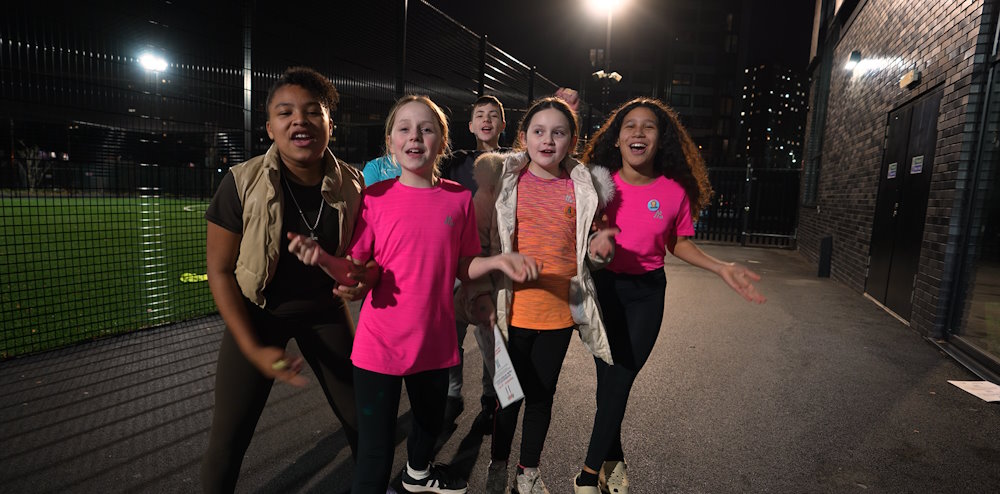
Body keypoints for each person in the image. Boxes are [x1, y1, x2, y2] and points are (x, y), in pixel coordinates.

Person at [288, 94, 539, 494]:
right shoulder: (375, 198)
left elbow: (464, 266)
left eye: (426, 128)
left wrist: (497, 263)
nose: (415, 136)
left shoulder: (459, 198)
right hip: (378, 347)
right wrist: (321, 258)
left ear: (441, 140)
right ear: (390, 142)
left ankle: (418, 477)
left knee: (428, 424)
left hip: (434, 344)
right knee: (374, 454)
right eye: (404, 128)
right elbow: (356, 270)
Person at [572, 98, 766, 494]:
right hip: (602, 292)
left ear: (662, 140)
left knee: (620, 378)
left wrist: (720, 268)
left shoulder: (674, 192)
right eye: (630, 126)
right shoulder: (597, 184)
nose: (638, 133)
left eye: (649, 127)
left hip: (646, 295)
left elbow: (678, 243)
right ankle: (615, 460)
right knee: (608, 386)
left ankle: (587, 477)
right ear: (617, 137)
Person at [200, 67, 367, 493]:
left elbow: (357, 262)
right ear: (270, 126)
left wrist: (358, 282)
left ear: (330, 123)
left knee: (365, 425)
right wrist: (253, 349)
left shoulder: (353, 183)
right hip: (259, 315)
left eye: (313, 111)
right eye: (285, 112)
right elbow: (219, 271)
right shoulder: (241, 182)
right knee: (227, 443)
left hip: (326, 313)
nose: (300, 120)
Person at [483, 96, 619, 494]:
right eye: (538, 131)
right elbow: (487, 242)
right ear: (523, 137)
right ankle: (498, 464)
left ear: (572, 140)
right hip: (513, 312)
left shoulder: (583, 189)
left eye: (558, 132)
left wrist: (599, 254)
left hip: (559, 314)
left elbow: (588, 254)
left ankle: (528, 473)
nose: (547, 140)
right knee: (508, 397)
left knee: (542, 397)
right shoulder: (506, 181)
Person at [439, 95, 508, 429]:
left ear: (503, 125)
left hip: (494, 262)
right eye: (480, 115)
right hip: (457, 260)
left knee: (492, 334)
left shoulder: (515, 163)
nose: (486, 120)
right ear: (469, 126)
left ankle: (490, 398)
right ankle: (452, 395)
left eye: (494, 115)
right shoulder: (456, 162)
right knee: (450, 333)